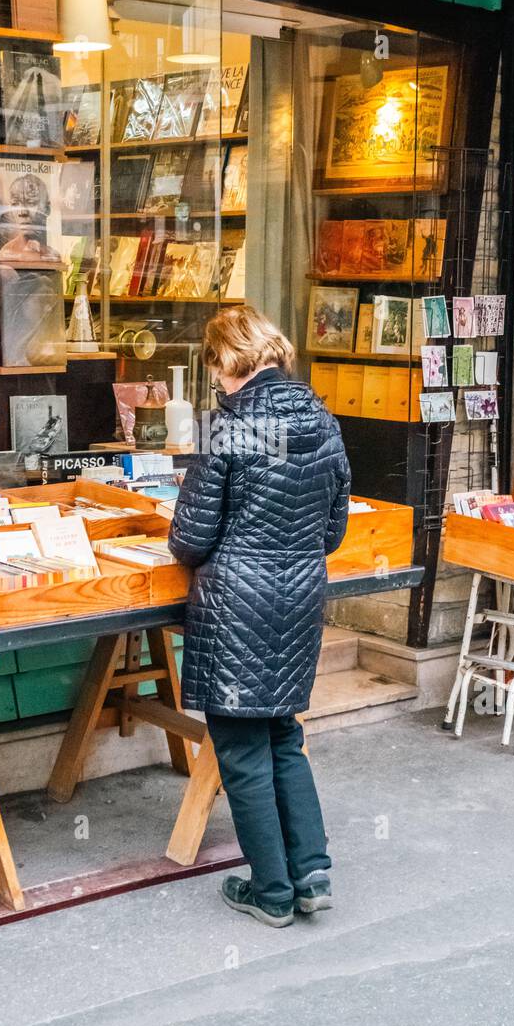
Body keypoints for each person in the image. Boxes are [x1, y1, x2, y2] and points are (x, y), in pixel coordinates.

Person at [168, 305, 351, 928]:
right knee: (282, 733)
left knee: (242, 746)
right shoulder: (324, 421)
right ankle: (312, 870)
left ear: (229, 360)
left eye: (215, 367)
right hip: (299, 596)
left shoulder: (228, 429)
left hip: (236, 605)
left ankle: (272, 890)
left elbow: (190, 540)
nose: (215, 379)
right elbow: (333, 530)